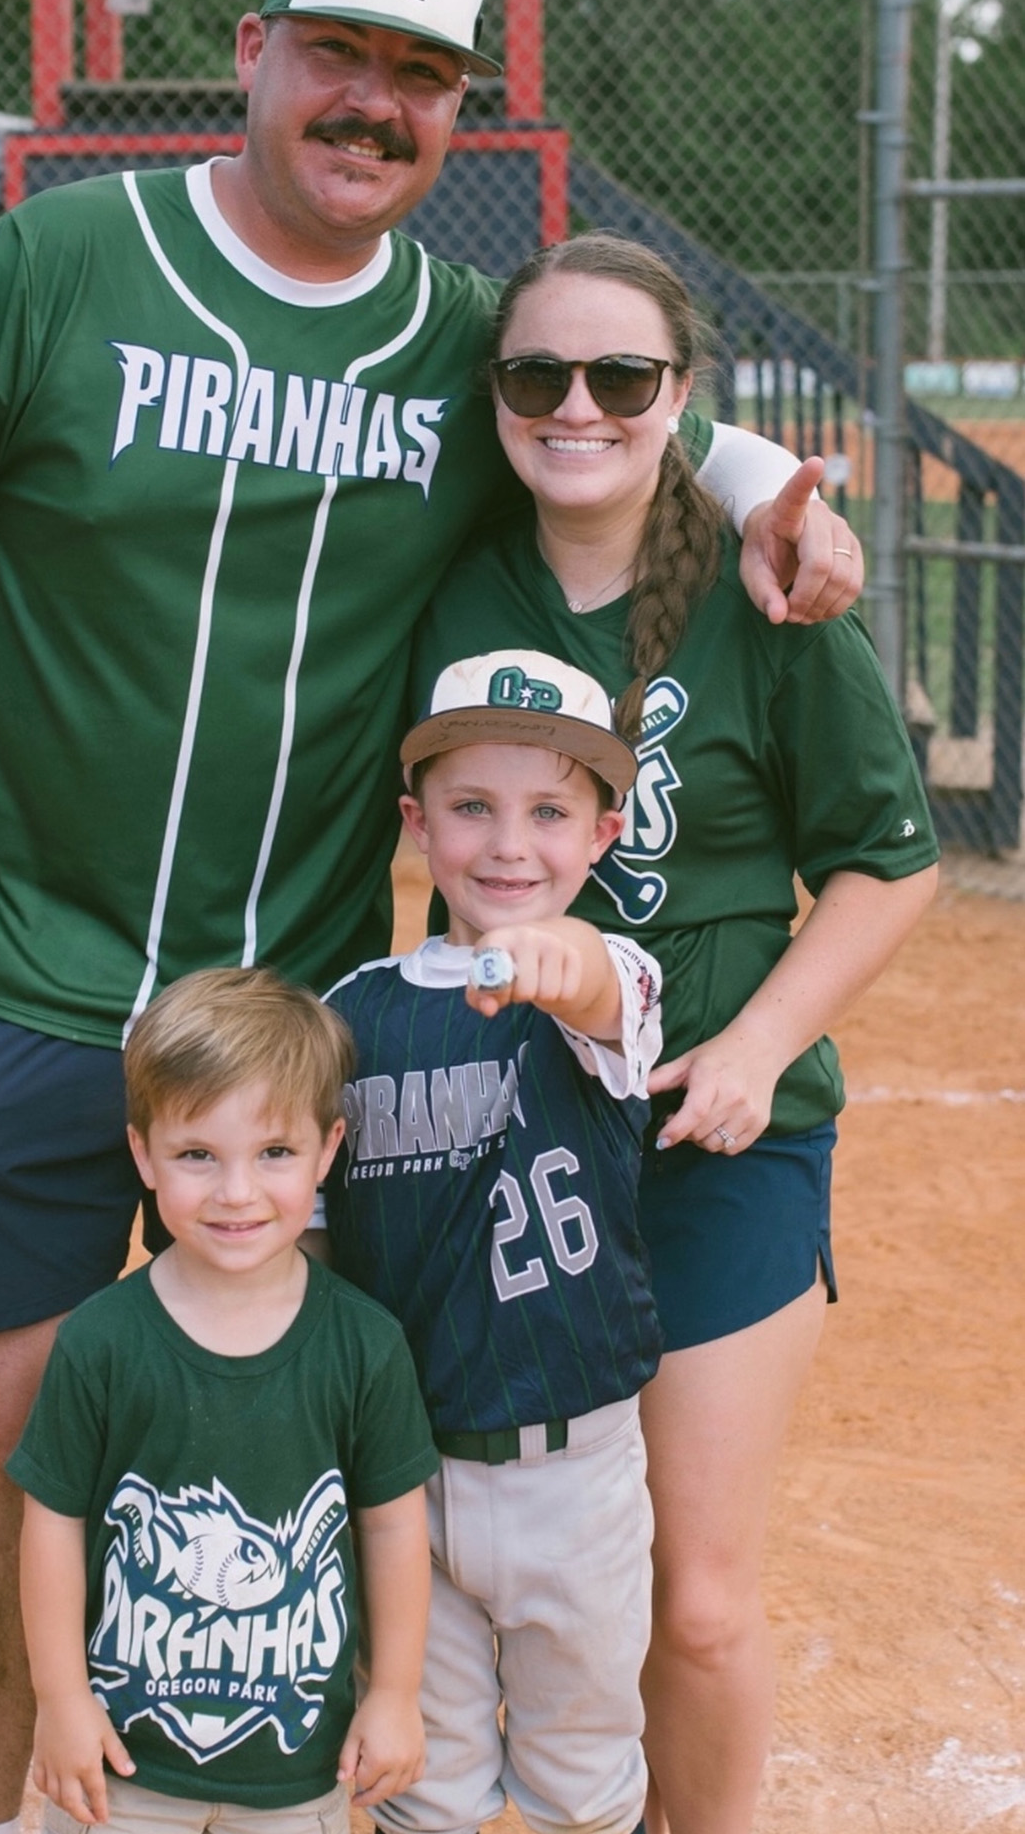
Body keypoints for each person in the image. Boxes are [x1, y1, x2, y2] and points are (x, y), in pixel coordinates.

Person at [0, 0, 865, 1834]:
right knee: (10, 1442)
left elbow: (611, 392)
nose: (371, 101)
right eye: (338, 53)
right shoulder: (60, 258)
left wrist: (767, 485)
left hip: (303, 1011)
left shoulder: (452, 338)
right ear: (253, 50)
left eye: (418, 76)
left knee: (299, 1439)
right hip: (37, 977)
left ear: (455, 111)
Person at [410, 232, 941, 1834]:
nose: (576, 406)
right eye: (536, 373)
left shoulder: (764, 588)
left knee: (692, 1599)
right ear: (496, 396)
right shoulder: (444, 576)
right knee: (485, 1570)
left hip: (717, 1134)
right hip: (502, 1137)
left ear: (680, 398)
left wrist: (762, 1045)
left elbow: (888, 863)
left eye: (620, 375)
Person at [322, 647, 664, 1834]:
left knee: (584, 1782)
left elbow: (589, 978)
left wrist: (544, 959)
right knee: (423, 1784)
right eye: (472, 806)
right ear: (417, 824)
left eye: (550, 813)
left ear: (604, 834)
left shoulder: (612, 982)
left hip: (577, 1474)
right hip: (406, 1479)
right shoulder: (352, 1012)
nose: (511, 845)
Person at [7, 966, 436, 1834]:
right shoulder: (100, 1340)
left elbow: (392, 1527)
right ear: (143, 1154)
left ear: (327, 1149)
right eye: (197, 1155)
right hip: (122, 1769)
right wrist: (61, 1699)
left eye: (274, 1153)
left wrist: (393, 1693)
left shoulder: (364, 1343)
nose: (236, 1192)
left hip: (297, 1768)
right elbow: (52, 1523)